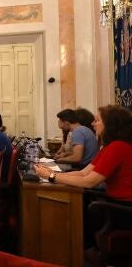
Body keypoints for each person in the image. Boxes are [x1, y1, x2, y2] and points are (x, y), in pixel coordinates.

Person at [34, 105, 132, 247]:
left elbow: (89, 181)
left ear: (110, 124)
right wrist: (52, 173)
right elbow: (83, 172)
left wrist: (52, 177)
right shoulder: (109, 146)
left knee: (73, 217)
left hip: (123, 209)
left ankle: (72, 254)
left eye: (97, 120)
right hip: (114, 203)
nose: (92, 123)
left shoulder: (118, 147)